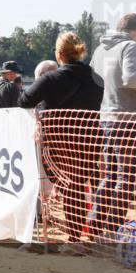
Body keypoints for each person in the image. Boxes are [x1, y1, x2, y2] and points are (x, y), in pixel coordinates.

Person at [19, 32, 104, 243]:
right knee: (81, 186)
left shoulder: (51, 78)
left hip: (60, 141)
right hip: (90, 140)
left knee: (69, 189)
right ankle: (88, 233)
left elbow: (24, 100)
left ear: (59, 54)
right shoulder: (97, 79)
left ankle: (75, 239)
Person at [89, 13, 136, 238]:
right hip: (128, 119)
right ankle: (115, 229)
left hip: (106, 117)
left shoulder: (99, 50)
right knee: (127, 177)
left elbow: (95, 81)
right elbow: (132, 79)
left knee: (111, 175)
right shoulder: (130, 46)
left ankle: (95, 225)